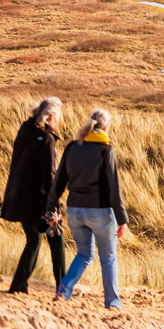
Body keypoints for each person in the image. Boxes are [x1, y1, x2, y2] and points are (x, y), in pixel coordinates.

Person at [46, 109, 127, 309]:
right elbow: (113, 189)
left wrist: (50, 207)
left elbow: (59, 182)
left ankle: (63, 290)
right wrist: (122, 218)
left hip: (75, 210)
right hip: (99, 211)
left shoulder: (73, 147)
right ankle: (113, 303)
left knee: (84, 254)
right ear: (106, 127)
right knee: (108, 258)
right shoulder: (105, 150)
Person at [2, 98, 66, 295]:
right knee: (57, 238)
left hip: (18, 197)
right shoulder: (46, 139)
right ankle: (63, 289)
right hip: (36, 201)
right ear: (52, 116)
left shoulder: (25, 131)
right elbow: (49, 177)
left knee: (33, 240)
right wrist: (54, 203)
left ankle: (18, 286)